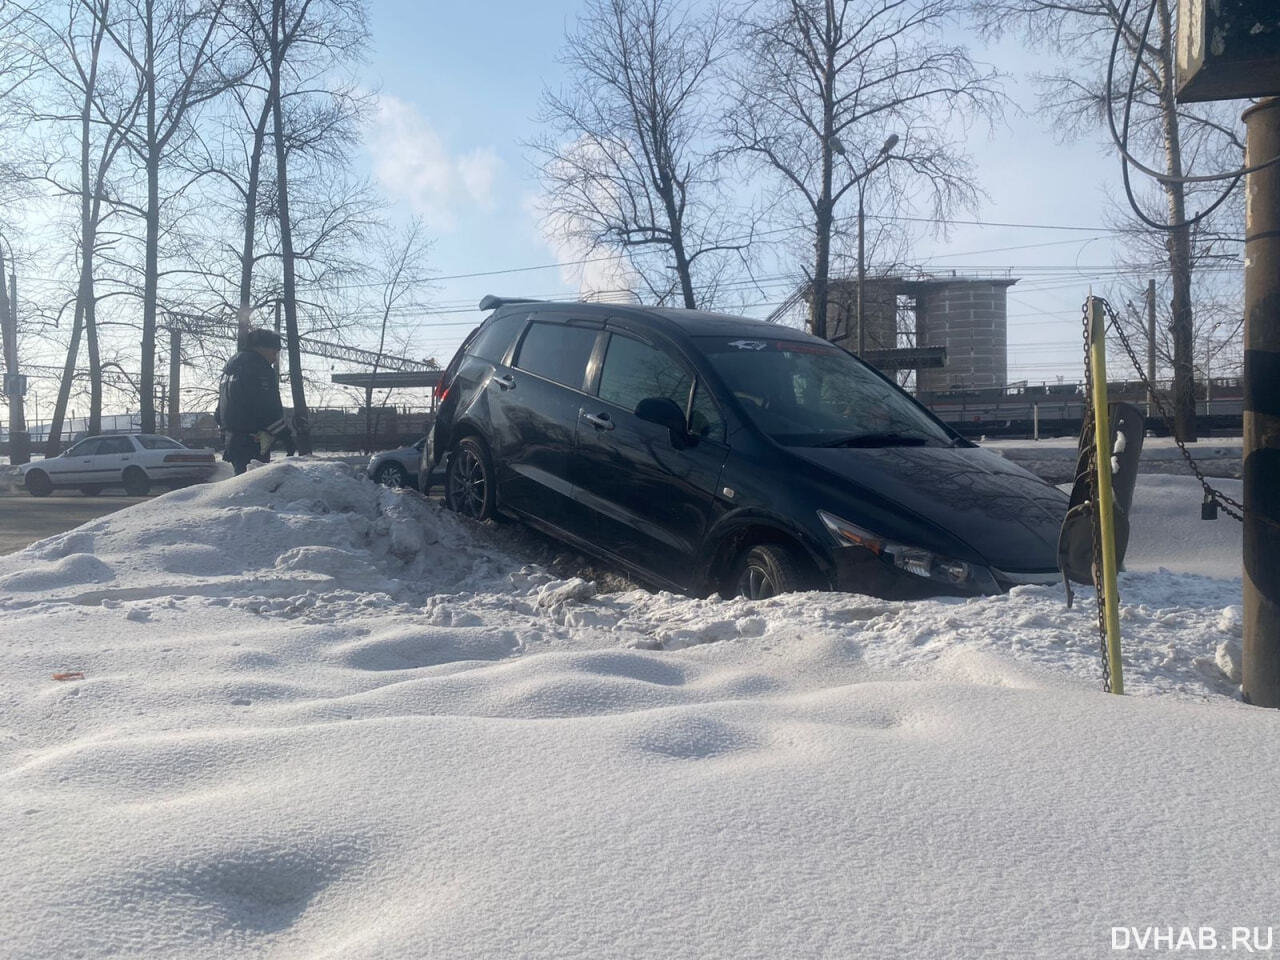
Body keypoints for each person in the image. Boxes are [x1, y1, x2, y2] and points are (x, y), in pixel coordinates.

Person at [216, 328, 294, 475]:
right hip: (254, 439)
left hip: (232, 439)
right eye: (274, 352)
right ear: (262, 348)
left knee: (240, 481)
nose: (274, 359)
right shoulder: (259, 368)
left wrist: (226, 433)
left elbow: (219, 410)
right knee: (255, 484)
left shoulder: (230, 370)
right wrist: (285, 436)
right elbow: (267, 406)